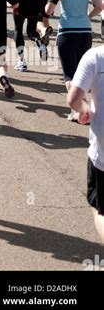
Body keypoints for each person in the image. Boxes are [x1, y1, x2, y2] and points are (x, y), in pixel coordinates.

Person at [45, 0, 102, 119]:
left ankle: (79, 109)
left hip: (67, 32)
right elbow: (99, 6)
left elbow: (49, 10)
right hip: (85, 32)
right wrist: (88, 16)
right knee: (81, 71)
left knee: (69, 74)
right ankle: (81, 107)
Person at [67, 46, 104, 242]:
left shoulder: (95, 56)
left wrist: (84, 110)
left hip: (102, 148)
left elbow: (73, 98)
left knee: (99, 208)